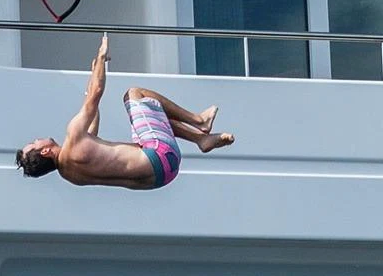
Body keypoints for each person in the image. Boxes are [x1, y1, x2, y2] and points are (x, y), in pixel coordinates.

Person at [15, 35, 231, 189]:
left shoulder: (70, 174)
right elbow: (96, 94)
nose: (36, 138)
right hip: (159, 154)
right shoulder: (73, 137)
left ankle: (201, 140)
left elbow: (91, 120)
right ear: (44, 152)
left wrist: (93, 77)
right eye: (34, 143)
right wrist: (100, 59)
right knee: (135, 95)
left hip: (162, 177)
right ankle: (199, 121)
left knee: (152, 116)